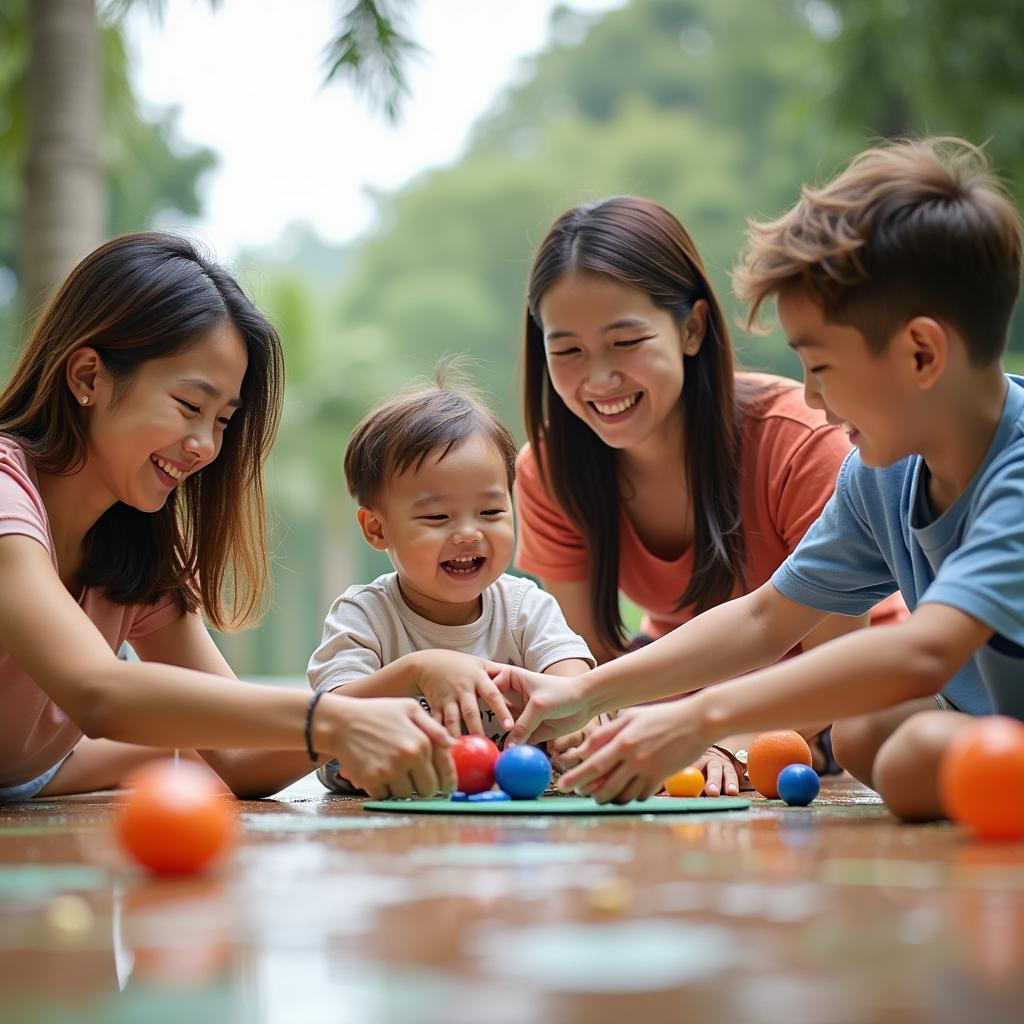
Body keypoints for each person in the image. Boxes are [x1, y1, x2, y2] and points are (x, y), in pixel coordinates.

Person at [499, 137, 1023, 821]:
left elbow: (924, 652)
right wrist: (586, 696)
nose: (810, 398)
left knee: (911, 749)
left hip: (953, 708)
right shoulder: (882, 475)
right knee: (877, 740)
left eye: (822, 367)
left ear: (920, 352)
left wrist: (701, 722)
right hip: (981, 716)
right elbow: (766, 617)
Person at [0, 232, 467, 804]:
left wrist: (409, 674)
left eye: (222, 419)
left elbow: (241, 764)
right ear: (88, 377)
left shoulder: (130, 545)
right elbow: (99, 694)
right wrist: (336, 721)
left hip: (30, 775)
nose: (204, 446)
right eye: (190, 406)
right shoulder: (6, 491)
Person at [514, 194, 903, 795]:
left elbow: (828, 656)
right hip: (689, 679)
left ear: (692, 328)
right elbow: (586, 660)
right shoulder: (548, 471)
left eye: (625, 342)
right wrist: (585, 732)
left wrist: (727, 740)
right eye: (567, 350)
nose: (598, 378)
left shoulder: (802, 439)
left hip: (843, 677)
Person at [307, 372, 594, 793]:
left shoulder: (523, 606)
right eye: (437, 517)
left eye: (491, 512)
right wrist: (416, 673)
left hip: (507, 798)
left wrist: (576, 716)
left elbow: (568, 670)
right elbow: (332, 709)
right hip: (390, 793)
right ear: (376, 528)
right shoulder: (365, 615)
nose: (468, 534)